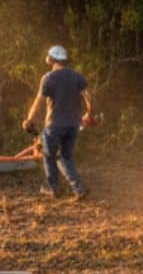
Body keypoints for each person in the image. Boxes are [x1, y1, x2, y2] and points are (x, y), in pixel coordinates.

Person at [22, 44, 93, 200]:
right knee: (65, 157)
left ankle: (55, 189)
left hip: (54, 125)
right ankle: (77, 188)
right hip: (73, 125)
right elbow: (88, 97)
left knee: (49, 156)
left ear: (51, 59)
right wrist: (89, 113)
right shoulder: (77, 76)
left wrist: (29, 119)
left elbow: (38, 101)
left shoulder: (48, 78)